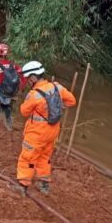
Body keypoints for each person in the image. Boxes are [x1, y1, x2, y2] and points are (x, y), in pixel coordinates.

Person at [16, 61, 77, 196]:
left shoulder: (34, 95)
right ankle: (44, 185)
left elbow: (23, 112)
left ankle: (22, 186)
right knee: (45, 157)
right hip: (53, 131)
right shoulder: (57, 88)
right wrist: (58, 106)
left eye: (27, 78)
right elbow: (72, 100)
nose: (27, 81)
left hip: (37, 132)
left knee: (28, 158)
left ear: (33, 77)